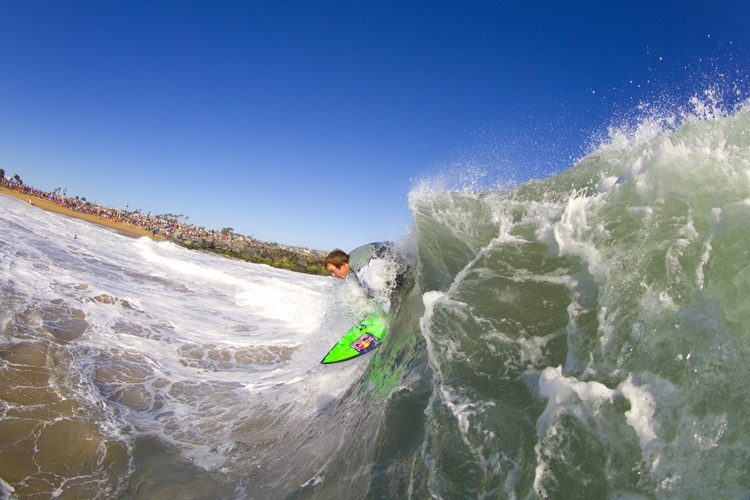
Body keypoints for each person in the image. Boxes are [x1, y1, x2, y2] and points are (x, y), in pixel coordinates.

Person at [325, 242, 406, 312]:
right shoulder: (351, 258)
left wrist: (390, 318)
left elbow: (380, 294)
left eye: (333, 271)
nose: (333, 275)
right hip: (394, 249)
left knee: (373, 287)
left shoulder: (362, 271)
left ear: (343, 264)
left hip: (394, 257)